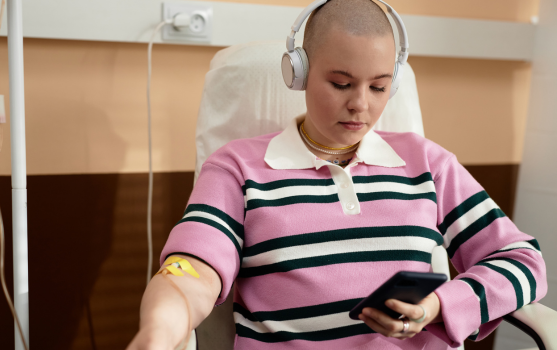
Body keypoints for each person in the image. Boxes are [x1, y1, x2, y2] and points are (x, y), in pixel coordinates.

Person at [127, 0, 547, 349]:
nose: (360, 105)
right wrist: (157, 334)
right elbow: (192, 269)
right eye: (341, 83)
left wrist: (439, 305)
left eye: (379, 87)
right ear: (300, 73)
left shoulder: (428, 164)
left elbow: (523, 262)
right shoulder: (236, 169)